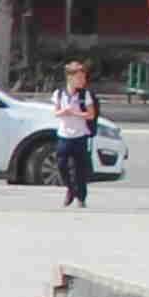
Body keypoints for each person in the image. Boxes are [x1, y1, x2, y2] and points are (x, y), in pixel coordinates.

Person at [55, 62, 102, 210]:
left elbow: (91, 114)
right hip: (64, 135)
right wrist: (63, 111)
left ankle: (81, 198)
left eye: (84, 78)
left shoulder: (85, 94)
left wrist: (75, 112)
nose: (82, 81)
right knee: (62, 165)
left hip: (80, 136)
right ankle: (70, 188)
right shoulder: (59, 93)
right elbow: (56, 112)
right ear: (70, 78)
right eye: (79, 78)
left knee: (80, 169)